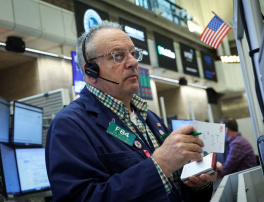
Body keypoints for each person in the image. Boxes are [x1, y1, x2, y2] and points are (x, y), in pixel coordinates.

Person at [45, 20, 222, 202]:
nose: (132, 62)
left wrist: (198, 184)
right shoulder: (69, 125)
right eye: (118, 56)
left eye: (133, 53)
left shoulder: (149, 117)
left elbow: (173, 188)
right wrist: (160, 165)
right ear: (91, 72)